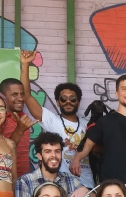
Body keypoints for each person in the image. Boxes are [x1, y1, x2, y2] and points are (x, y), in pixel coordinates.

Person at [20, 50, 95, 189]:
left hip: (87, 186)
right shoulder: (52, 120)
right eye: (63, 99)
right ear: (58, 102)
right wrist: (25, 65)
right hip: (62, 187)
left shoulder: (88, 124)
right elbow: (27, 97)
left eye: (73, 99)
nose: (68, 102)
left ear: (78, 102)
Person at [70, 75, 126, 183]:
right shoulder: (105, 121)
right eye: (124, 89)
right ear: (116, 93)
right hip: (110, 184)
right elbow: (88, 144)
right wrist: (76, 159)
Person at [15, 131, 90, 197]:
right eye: (48, 151)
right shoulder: (25, 182)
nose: (53, 155)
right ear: (39, 156)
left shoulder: (69, 178)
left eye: (57, 151)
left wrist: (85, 190)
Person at [0, 77, 37, 176]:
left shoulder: (23, 117)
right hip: (5, 178)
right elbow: (3, 152)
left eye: (22, 94)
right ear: (3, 97)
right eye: (15, 94)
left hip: (24, 177)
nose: (20, 98)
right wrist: (19, 130)